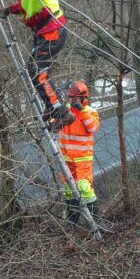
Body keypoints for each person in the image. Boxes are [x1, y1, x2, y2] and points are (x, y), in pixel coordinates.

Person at [0, 0, 74, 130]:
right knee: (34, 71)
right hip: (43, 32)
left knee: (38, 72)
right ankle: (51, 106)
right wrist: (9, 9)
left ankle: (62, 113)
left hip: (53, 29)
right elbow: (26, 6)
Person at [58, 81, 100, 223]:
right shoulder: (65, 111)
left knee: (84, 188)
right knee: (68, 191)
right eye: (71, 98)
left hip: (83, 160)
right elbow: (54, 123)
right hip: (67, 160)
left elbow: (93, 128)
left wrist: (81, 111)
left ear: (84, 98)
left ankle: (96, 222)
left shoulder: (90, 112)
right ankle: (73, 223)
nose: (73, 101)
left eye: (75, 98)